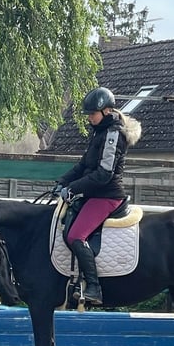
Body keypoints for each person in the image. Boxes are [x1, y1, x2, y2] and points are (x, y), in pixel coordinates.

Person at [52, 86, 142, 304]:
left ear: (107, 111)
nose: (90, 118)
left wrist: (73, 189)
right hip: (94, 193)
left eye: (93, 113)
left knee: (76, 236)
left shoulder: (113, 135)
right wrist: (62, 182)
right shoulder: (100, 132)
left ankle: (94, 287)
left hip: (107, 196)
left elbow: (103, 175)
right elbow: (84, 165)